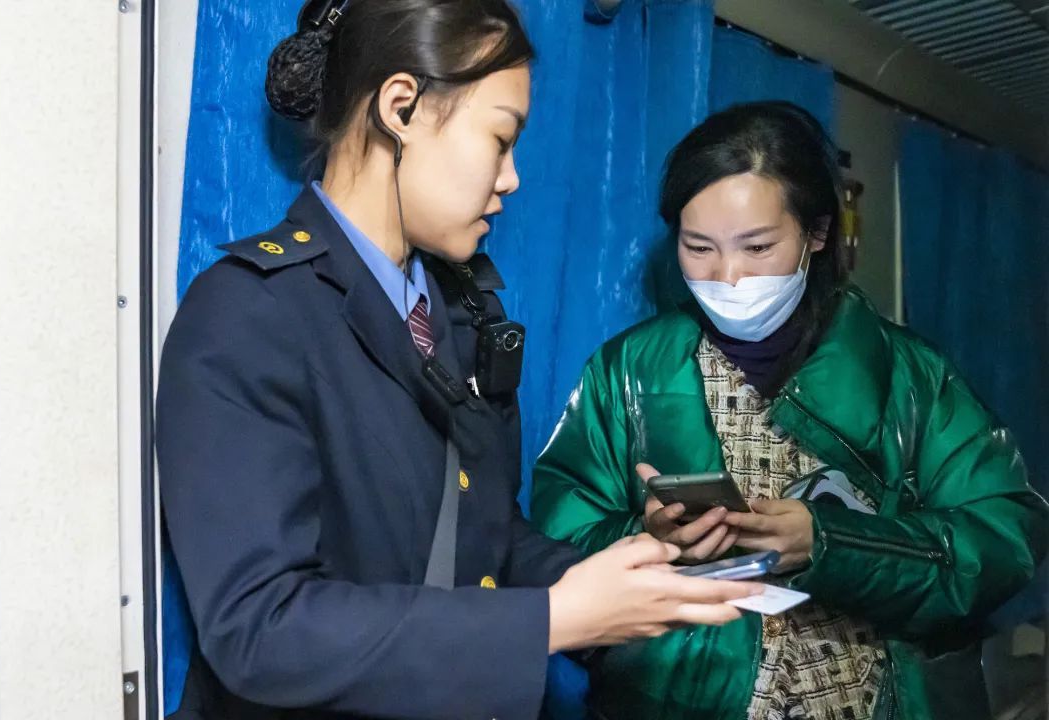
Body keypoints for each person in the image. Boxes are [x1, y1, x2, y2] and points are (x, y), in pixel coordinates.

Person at [155, 2, 760, 718]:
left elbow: (487, 535)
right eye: (500, 140)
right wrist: (550, 621)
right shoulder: (250, 312)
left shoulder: (465, 311)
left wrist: (624, 577)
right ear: (401, 109)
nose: (512, 179)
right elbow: (260, 631)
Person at [531, 101, 1048, 719]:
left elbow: (1004, 537)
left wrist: (832, 543)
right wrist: (651, 540)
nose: (728, 276)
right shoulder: (628, 372)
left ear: (817, 234)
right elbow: (556, 541)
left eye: (757, 247)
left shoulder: (909, 377)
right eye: (699, 247)